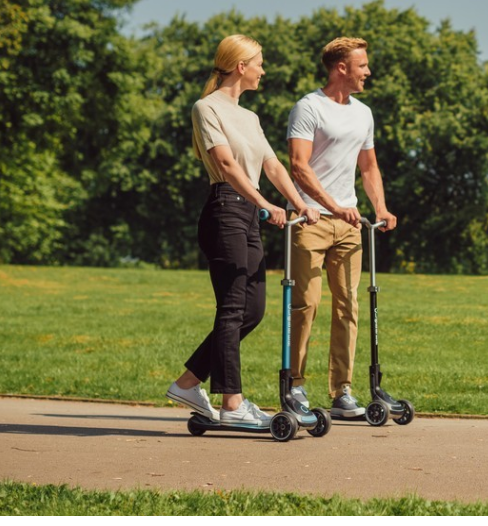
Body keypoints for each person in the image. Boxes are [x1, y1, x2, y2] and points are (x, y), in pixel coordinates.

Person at [166, 34, 319, 425]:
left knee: (252, 311)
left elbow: (272, 166)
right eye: (260, 63)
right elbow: (227, 164)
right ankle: (232, 403)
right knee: (232, 308)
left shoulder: (248, 117)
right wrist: (265, 203)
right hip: (225, 211)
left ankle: (187, 383)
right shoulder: (207, 108)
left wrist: (299, 203)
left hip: (249, 215)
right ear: (241, 66)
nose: (263, 70)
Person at [286, 37, 397, 419]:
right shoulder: (308, 107)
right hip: (310, 220)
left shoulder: (363, 113)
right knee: (306, 304)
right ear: (341, 69)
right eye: (362, 65)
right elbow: (298, 166)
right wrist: (332, 207)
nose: (368, 72)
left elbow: (368, 166)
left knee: (348, 306)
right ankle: (295, 387)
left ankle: (342, 391)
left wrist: (379, 207)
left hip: (350, 225)